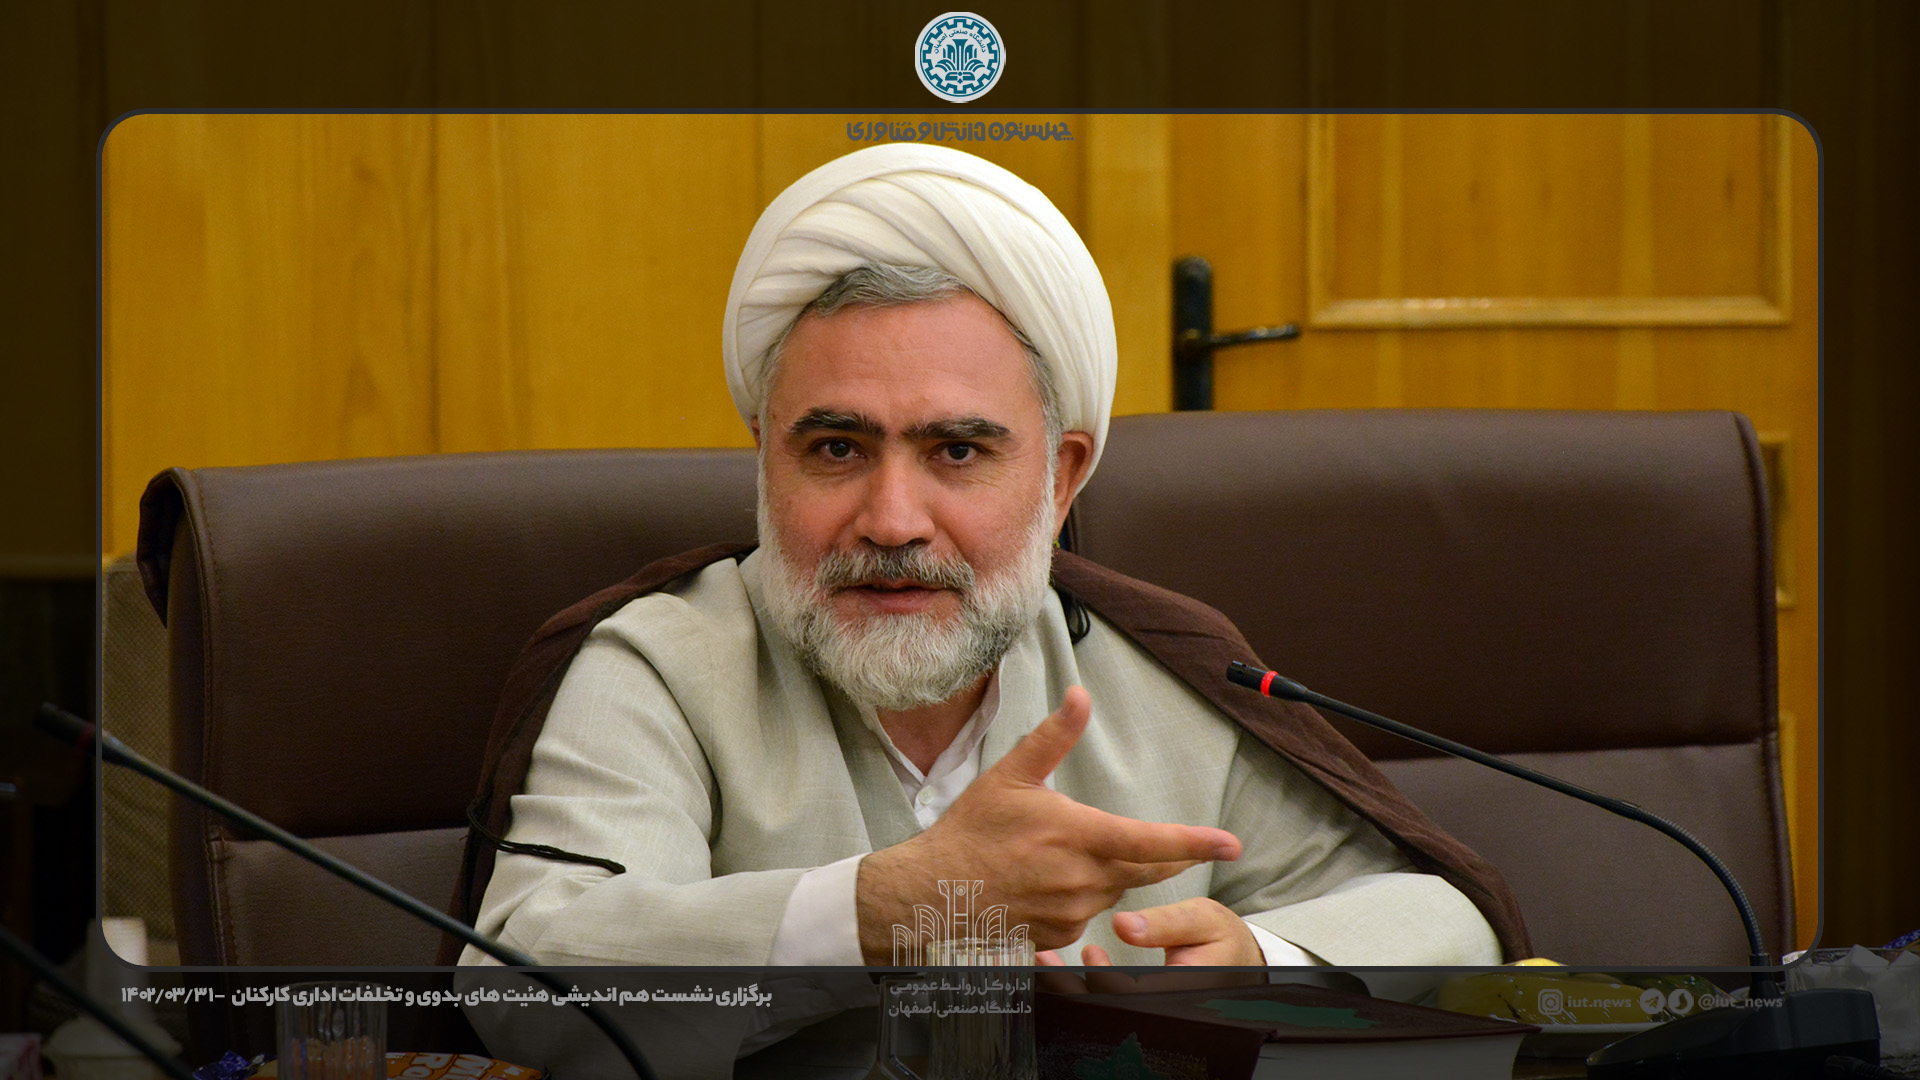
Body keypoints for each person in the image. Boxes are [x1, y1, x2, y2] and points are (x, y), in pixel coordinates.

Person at [454, 145, 1524, 996]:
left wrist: (1260, 961)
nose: (891, 521)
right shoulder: (663, 665)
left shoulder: (1162, 675)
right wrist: (889, 908)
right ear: (765, 461)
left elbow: (1442, 920)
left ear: (1061, 480)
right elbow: (528, 979)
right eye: (837, 448)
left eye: (958, 452)